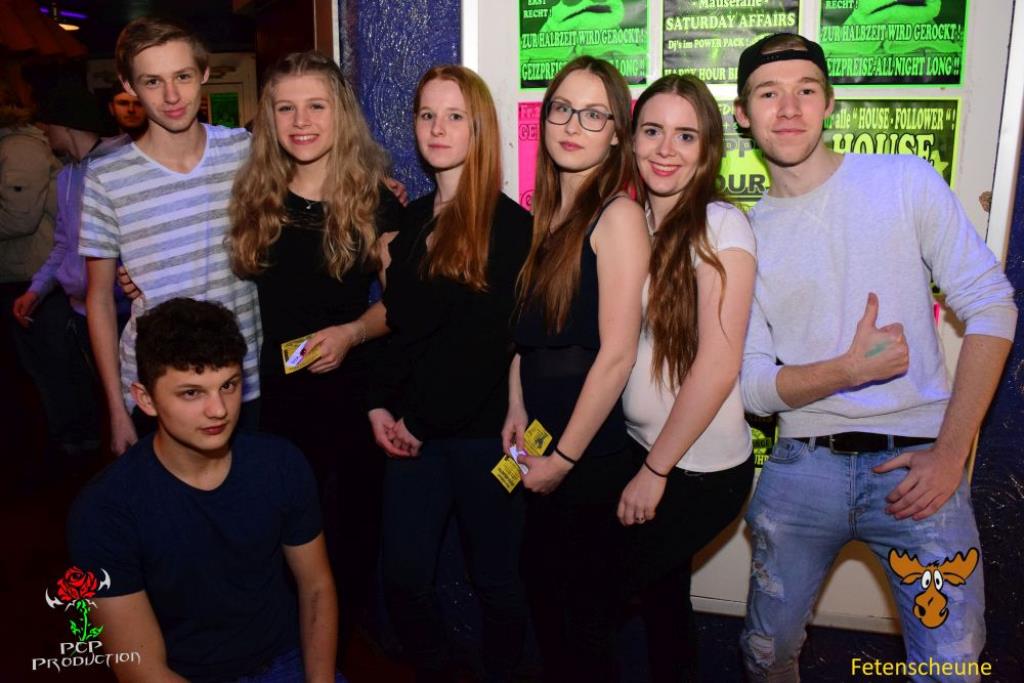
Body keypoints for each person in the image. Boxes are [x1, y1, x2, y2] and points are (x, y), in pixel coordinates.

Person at [734, 33, 1016, 682]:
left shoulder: (903, 180)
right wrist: (848, 370)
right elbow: (752, 388)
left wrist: (951, 452)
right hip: (803, 466)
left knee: (950, 668)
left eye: (806, 90)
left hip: (919, 464)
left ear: (829, 103)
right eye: (769, 94)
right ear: (743, 115)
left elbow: (992, 305)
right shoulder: (746, 233)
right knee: (765, 653)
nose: (789, 108)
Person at [228, 50, 402, 659]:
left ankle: (338, 649)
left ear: (340, 114)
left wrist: (351, 332)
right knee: (278, 529)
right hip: (276, 399)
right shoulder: (256, 194)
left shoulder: (376, 201)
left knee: (353, 530)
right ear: (269, 117)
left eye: (316, 106)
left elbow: (402, 306)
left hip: (352, 396)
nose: (301, 121)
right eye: (286, 108)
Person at [67, 297, 340, 682]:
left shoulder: (280, 464)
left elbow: (316, 588)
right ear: (145, 398)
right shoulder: (105, 511)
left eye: (228, 385)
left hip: (284, 659)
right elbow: (140, 667)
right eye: (192, 393)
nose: (219, 410)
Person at [366, 65, 533, 682]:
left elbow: (484, 346)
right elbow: (399, 328)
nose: (437, 128)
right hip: (411, 434)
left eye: (454, 116)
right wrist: (378, 404)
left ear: (479, 128)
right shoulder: (413, 222)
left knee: (496, 580)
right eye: (427, 115)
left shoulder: (510, 226)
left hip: (482, 436)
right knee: (404, 577)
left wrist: (414, 419)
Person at [504, 56, 649, 682]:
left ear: (617, 133)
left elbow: (617, 354)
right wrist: (516, 407)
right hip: (541, 440)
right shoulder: (547, 216)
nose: (572, 125)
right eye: (562, 108)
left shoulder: (616, 216)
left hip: (587, 457)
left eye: (594, 115)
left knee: (582, 627)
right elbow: (527, 341)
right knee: (545, 599)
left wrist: (563, 459)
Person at [617, 74, 756, 682]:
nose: (666, 149)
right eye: (652, 131)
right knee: (663, 604)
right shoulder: (631, 222)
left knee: (601, 594)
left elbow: (720, 364)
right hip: (639, 448)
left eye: (685, 135)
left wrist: (656, 471)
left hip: (697, 471)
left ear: (708, 150)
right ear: (632, 140)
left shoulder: (721, 224)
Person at [80, 17, 262, 455]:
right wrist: (116, 408)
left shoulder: (245, 151)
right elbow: (99, 299)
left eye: (182, 76)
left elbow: (315, 185)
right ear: (129, 85)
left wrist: (378, 188)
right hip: (158, 386)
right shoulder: (107, 178)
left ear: (204, 72)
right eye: (152, 81)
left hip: (239, 377)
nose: (172, 96)